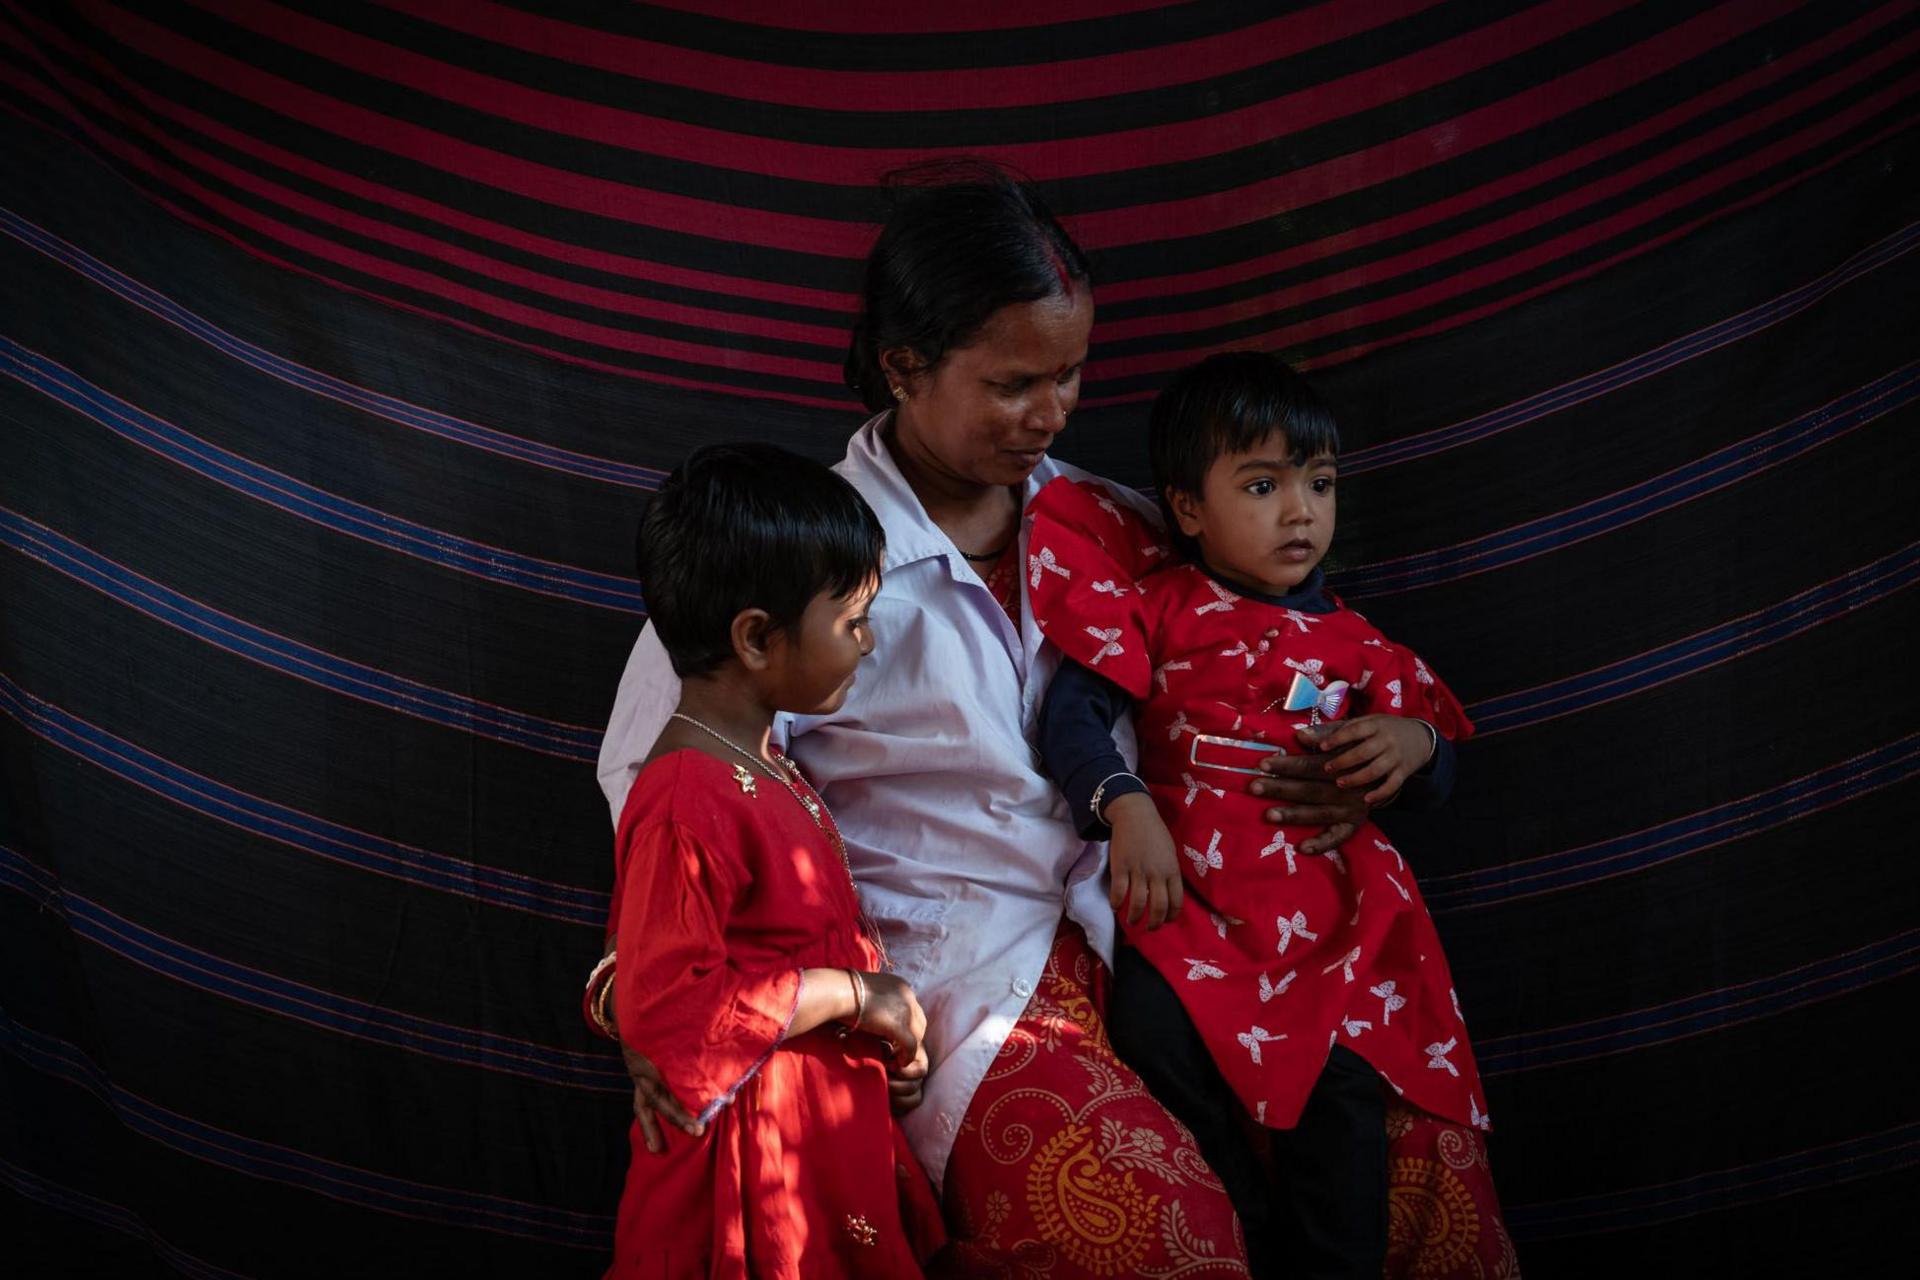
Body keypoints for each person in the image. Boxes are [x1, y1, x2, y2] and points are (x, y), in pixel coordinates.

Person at [592, 163, 1376, 1277]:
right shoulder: (793, 557)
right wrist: (647, 997)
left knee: (1409, 1166)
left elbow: (1256, 661)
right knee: (1165, 1243)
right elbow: (659, 790)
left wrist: (1342, 761)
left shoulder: (1118, 524)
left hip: (1176, 941)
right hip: (955, 987)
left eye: (1071, 374)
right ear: (905, 365)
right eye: (1014, 382)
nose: (1051, 412)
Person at [1028, 351, 1516, 1279]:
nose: (1301, 511)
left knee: (1339, 1092)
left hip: (1320, 917)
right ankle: (1244, 1224)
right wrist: (1122, 803)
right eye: (1263, 484)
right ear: (1187, 509)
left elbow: (1437, 772)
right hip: (1191, 902)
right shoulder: (1157, 608)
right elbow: (1074, 717)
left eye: (1320, 483)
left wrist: (1412, 747)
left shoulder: (1358, 645)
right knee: (1150, 1029)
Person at [595, 443, 944, 1278]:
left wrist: (878, 1037)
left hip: (812, 1136)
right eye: (852, 621)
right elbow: (671, 1007)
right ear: (756, 637)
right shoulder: (688, 794)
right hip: (748, 1172)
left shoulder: (759, 765)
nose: (865, 644)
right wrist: (859, 998)